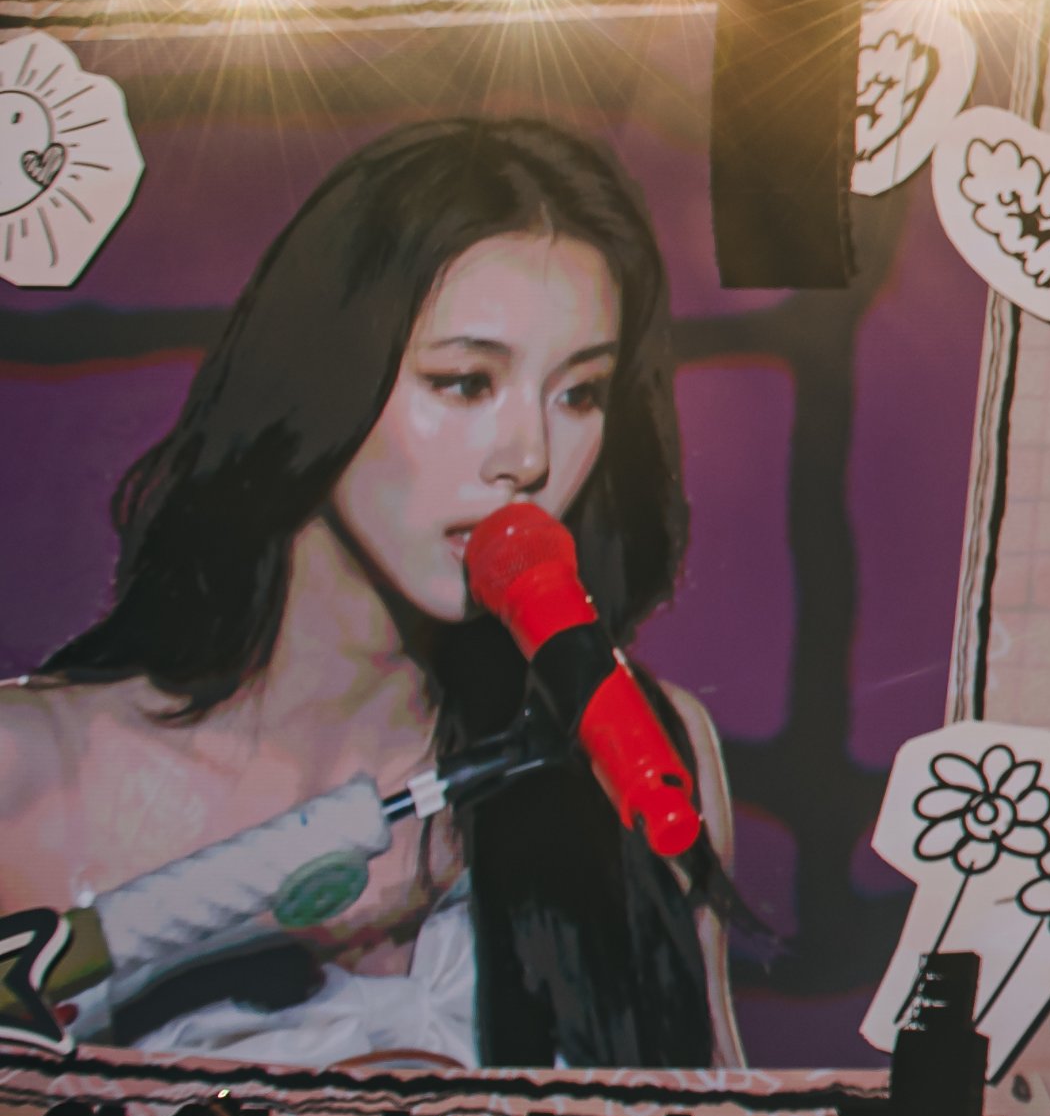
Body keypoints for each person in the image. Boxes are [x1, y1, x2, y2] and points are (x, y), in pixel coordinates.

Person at [0, 117, 743, 1068]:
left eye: (579, 393)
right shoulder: (35, 778)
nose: (528, 457)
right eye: (465, 381)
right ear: (323, 376)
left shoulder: (641, 751)